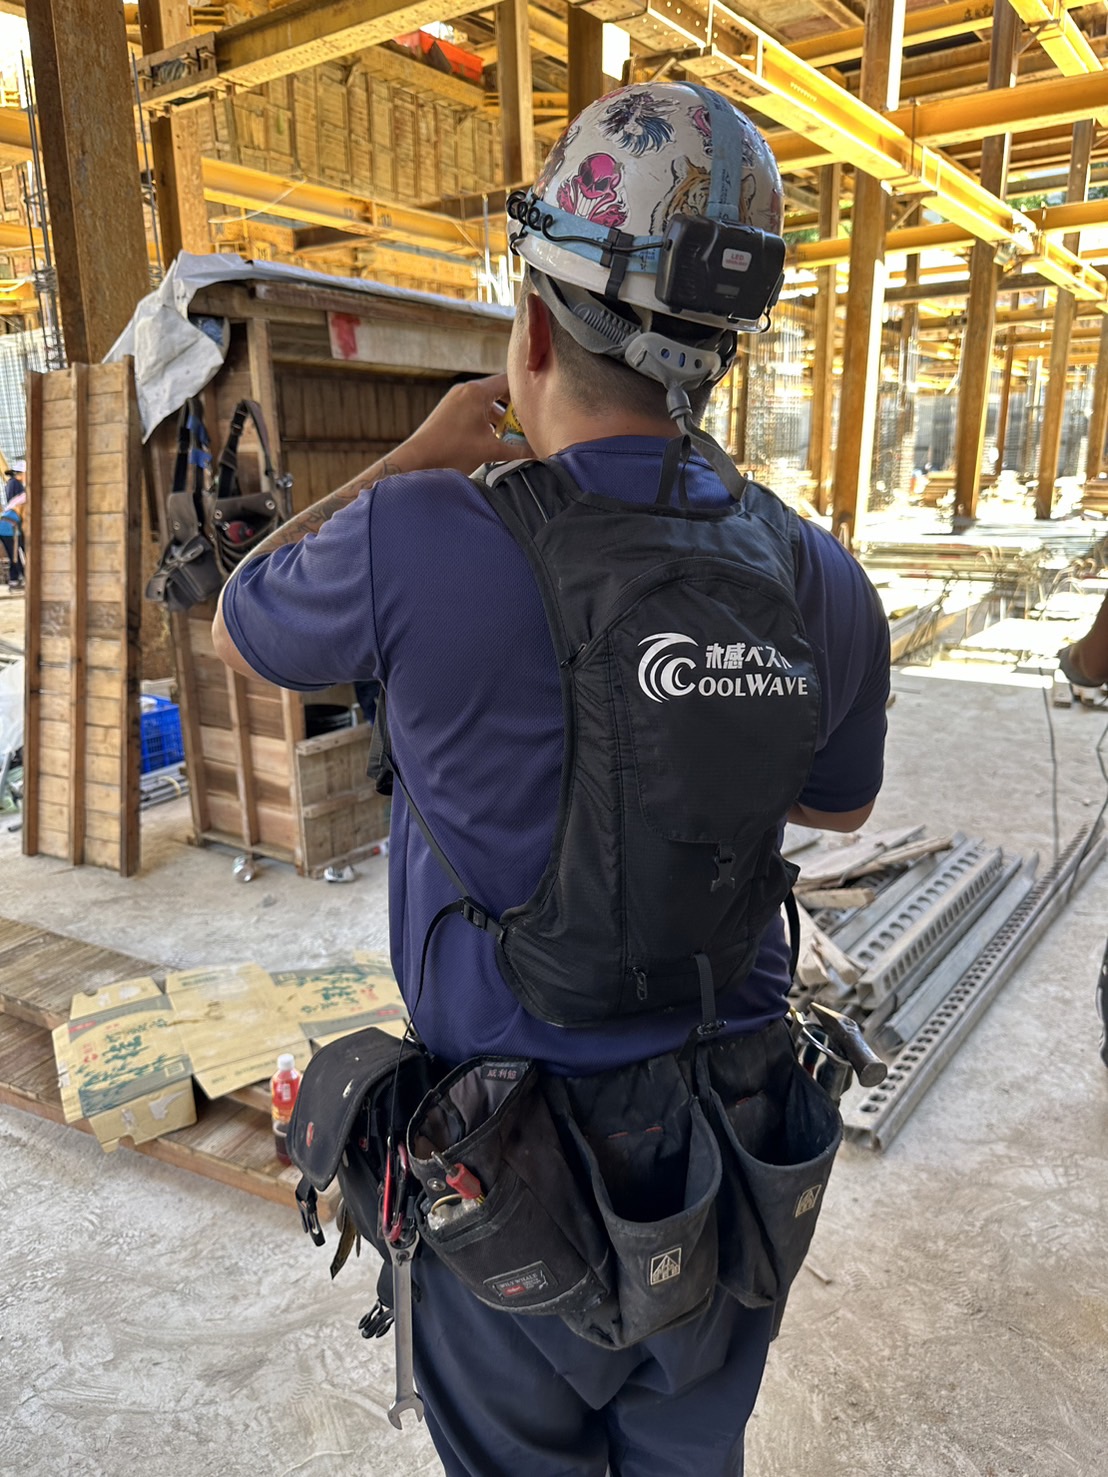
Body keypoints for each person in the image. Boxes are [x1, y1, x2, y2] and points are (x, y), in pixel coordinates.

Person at [212, 81, 890, 1477]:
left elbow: (246, 609)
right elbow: (837, 801)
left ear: (529, 325)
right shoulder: (817, 572)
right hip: (732, 1158)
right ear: (720, 354)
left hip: (503, 1171)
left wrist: (413, 457)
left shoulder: (418, 534)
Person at [0, 467, 25, 591]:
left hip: (6, 525)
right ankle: (15, 581)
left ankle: (17, 579)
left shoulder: (18, 493)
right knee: (14, 554)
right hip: (10, 527)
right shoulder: (25, 496)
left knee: (14, 553)